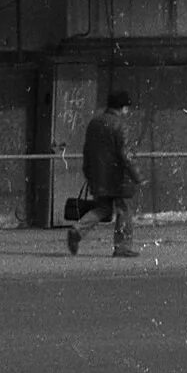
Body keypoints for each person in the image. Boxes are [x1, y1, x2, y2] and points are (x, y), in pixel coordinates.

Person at [65, 88, 142, 258]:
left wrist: (88, 172)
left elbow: (88, 150)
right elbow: (126, 154)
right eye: (126, 108)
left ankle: (78, 229)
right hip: (119, 178)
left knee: (103, 208)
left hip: (99, 176)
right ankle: (122, 247)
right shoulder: (121, 126)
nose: (127, 111)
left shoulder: (95, 123)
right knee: (124, 210)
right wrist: (138, 176)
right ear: (122, 107)